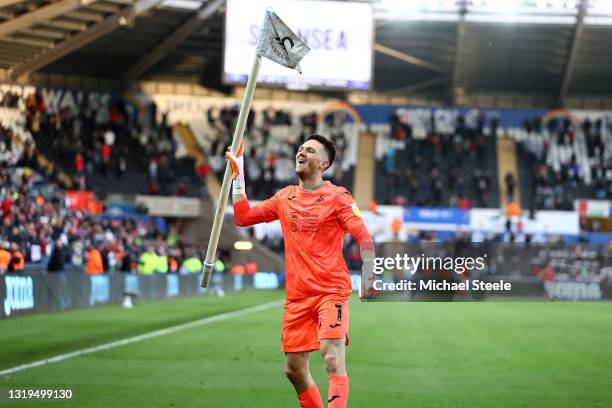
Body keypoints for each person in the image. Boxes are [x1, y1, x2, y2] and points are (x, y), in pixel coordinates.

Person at [225, 134, 374, 408]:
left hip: (331, 291)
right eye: (301, 148)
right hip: (297, 298)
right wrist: (239, 175)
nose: (301, 152)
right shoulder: (285, 197)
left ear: (324, 164)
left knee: (332, 358)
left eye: (310, 150)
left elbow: (363, 236)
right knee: (294, 370)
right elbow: (244, 217)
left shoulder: (338, 197)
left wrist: (368, 276)